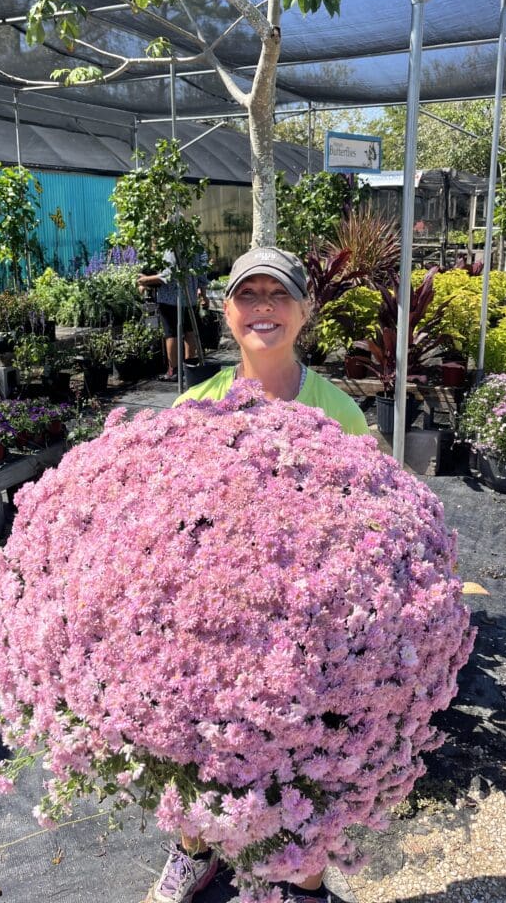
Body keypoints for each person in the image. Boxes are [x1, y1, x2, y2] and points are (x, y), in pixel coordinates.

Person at [145, 247, 368, 903]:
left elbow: (372, 526)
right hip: (214, 628)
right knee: (195, 755)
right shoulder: (197, 406)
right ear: (227, 311)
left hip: (310, 633)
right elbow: (160, 518)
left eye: (279, 295)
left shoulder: (339, 414)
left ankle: (303, 882)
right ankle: (193, 852)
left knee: (309, 768)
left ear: (305, 310)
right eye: (249, 295)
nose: (263, 308)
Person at [138, 249, 209, 382]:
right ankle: (190, 366)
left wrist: (145, 280)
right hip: (190, 296)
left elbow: (169, 275)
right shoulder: (196, 246)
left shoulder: (172, 246)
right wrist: (203, 295)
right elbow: (202, 272)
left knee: (171, 333)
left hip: (170, 298)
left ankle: (174, 370)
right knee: (190, 331)